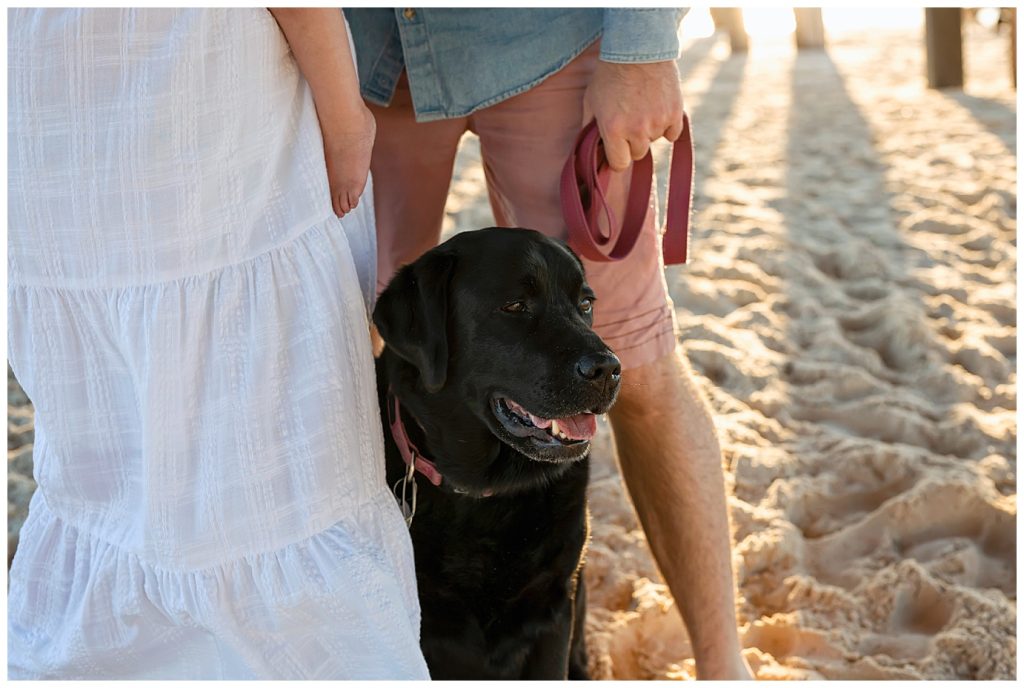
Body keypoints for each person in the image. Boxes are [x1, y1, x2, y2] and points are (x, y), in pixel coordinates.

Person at [7, 9, 428, 679]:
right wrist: (348, 120)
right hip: (193, 111)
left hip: (47, 113)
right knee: (274, 462)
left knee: (114, 460)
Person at [345, 8, 754, 680]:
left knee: (636, 359)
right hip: (371, 60)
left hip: (548, 38)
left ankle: (723, 666)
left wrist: (643, 45)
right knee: (350, 348)